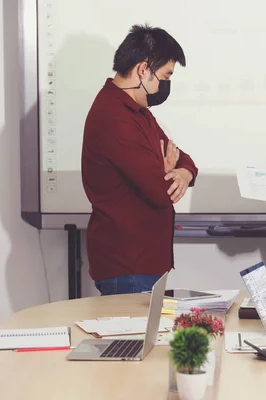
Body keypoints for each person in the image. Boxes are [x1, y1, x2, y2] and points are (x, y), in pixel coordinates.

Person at [81, 25, 198, 295]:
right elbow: (159, 192)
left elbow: (184, 159)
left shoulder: (138, 110)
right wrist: (168, 174)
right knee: (136, 338)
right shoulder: (114, 116)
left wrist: (183, 174)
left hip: (144, 262)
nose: (164, 85)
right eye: (165, 76)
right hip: (128, 265)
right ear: (143, 70)